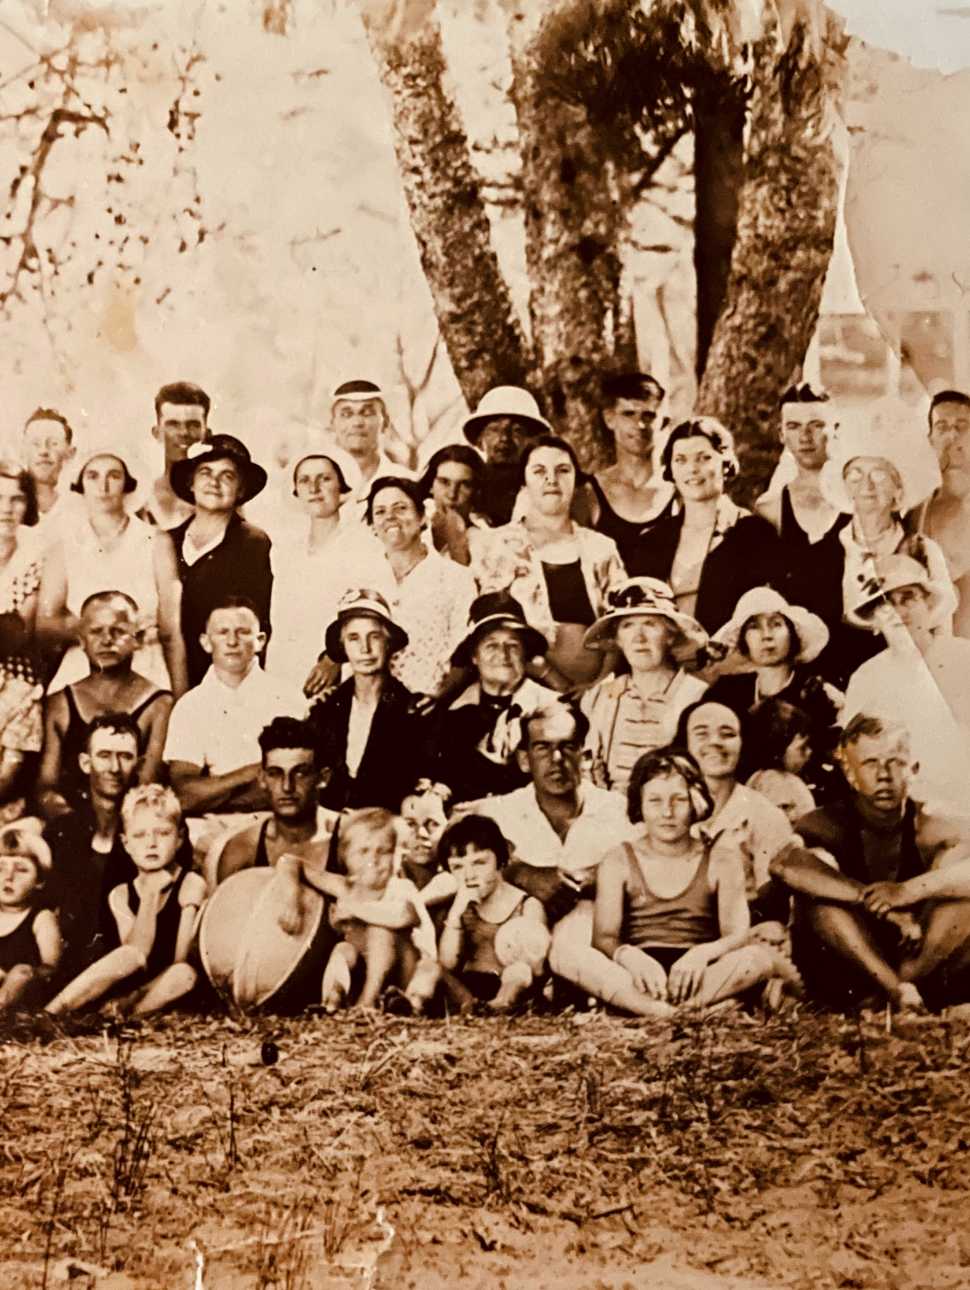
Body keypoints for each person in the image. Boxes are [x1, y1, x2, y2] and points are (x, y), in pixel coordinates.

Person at [770, 714, 970, 1012]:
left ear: (913, 770)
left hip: (914, 963)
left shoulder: (931, 827)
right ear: (850, 773)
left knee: (962, 896)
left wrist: (907, 891)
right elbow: (784, 864)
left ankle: (898, 994)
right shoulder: (827, 822)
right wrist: (872, 901)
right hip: (847, 970)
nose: (884, 775)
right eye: (870, 763)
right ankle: (895, 992)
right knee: (815, 892)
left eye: (895, 762)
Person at [590, 749, 774, 1014]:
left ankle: (654, 1011)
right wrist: (630, 956)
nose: (668, 812)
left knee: (758, 960)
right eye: (655, 800)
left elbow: (736, 934)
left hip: (699, 974)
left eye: (679, 799)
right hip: (639, 974)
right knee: (578, 960)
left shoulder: (721, 859)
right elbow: (603, 938)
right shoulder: (619, 859)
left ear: (696, 803)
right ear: (638, 804)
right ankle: (687, 1011)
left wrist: (701, 955)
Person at [470, 436, 626, 690]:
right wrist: (554, 681)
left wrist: (600, 684)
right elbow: (492, 629)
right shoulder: (497, 546)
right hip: (526, 689)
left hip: (599, 690)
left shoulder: (601, 548)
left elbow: (621, 623)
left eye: (563, 470)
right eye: (539, 471)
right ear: (524, 482)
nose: (551, 479)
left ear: (576, 481)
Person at [47, 785, 205, 1018]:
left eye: (162, 833)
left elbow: (179, 959)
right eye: (139, 835)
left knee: (183, 973)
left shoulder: (191, 883)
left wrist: (137, 996)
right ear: (126, 843)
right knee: (127, 955)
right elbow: (137, 953)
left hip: (172, 987)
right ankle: (50, 1013)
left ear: (179, 838)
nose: (151, 843)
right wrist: (151, 895)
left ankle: (128, 1017)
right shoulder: (120, 893)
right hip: (133, 984)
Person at [39, 446, 187, 695]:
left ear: (128, 484)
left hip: (145, 668)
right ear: (80, 485)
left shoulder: (155, 541)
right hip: (82, 668)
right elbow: (44, 624)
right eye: (93, 476)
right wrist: (95, 628)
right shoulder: (64, 546)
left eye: (114, 476)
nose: (103, 486)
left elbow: (171, 634)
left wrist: (182, 701)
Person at [820, 404, 955, 675]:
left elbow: (942, 635)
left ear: (898, 491)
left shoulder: (923, 551)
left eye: (879, 476)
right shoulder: (824, 554)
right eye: (855, 476)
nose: (866, 487)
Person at [841, 554, 970, 806]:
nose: (898, 612)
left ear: (927, 605)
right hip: (904, 807)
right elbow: (859, 758)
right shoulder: (866, 678)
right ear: (875, 620)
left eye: (908, 598)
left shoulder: (963, 658)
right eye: (886, 603)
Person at [634, 418, 781, 634]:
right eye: (681, 460)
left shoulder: (753, 533)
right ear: (671, 470)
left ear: (725, 463)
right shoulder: (652, 540)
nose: (692, 469)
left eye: (704, 458)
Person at [163, 597, 306, 819]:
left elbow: (296, 786)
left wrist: (214, 793)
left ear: (260, 641)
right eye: (222, 632)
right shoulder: (190, 706)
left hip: (280, 822)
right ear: (206, 642)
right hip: (211, 829)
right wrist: (250, 773)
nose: (232, 642)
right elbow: (185, 796)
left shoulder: (289, 699)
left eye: (242, 632)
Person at [38, 592, 173, 819]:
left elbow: (147, 785)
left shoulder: (159, 704)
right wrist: (67, 817)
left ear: (138, 638)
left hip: (131, 821)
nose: (107, 640)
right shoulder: (60, 702)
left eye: (118, 631)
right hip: (71, 820)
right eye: (96, 631)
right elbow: (46, 785)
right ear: (81, 640)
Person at [343, 477, 476, 699]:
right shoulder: (360, 577)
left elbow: (464, 655)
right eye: (380, 512)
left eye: (401, 508)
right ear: (372, 526)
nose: (390, 518)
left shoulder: (456, 578)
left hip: (430, 702)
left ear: (422, 517)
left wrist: (437, 700)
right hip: (370, 704)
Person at [162, 434, 273, 689]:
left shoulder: (252, 543)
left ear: (241, 490)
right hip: (170, 672)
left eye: (227, 476)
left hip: (228, 674)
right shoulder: (169, 541)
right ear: (191, 483)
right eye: (205, 473)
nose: (214, 482)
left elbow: (259, 619)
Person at [581, 577, 709, 793]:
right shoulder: (601, 696)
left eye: (650, 624)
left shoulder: (696, 696)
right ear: (618, 639)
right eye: (628, 626)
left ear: (670, 634)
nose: (639, 638)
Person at [706, 587, 841, 791]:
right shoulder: (727, 694)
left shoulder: (818, 694)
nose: (766, 636)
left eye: (776, 624)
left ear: (792, 634)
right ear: (743, 639)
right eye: (754, 627)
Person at [44, 715, 146, 982]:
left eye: (125, 756)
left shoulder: (150, 832)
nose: (114, 767)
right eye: (104, 755)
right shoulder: (61, 831)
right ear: (85, 763)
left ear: (139, 764)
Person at [426, 592, 554, 804]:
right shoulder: (449, 716)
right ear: (474, 656)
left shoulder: (552, 709)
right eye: (491, 645)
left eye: (512, 645)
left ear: (525, 653)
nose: (503, 655)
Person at [674, 700, 793, 920]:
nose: (715, 742)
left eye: (727, 734)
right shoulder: (668, 808)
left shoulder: (764, 815)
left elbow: (773, 906)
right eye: (701, 734)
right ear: (685, 745)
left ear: (743, 744)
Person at [312, 807, 439, 1012]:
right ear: (345, 857)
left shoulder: (400, 886)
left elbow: (403, 916)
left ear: (397, 854)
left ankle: (367, 1002)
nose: (374, 860)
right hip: (369, 972)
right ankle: (332, 999)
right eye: (363, 851)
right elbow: (300, 867)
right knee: (343, 950)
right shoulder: (348, 887)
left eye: (385, 851)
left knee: (381, 932)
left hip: (410, 971)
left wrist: (353, 909)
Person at [754, 387, 848, 661]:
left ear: (836, 429)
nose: (805, 437)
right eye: (794, 426)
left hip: (855, 645)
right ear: (782, 434)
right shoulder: (770, 508)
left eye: (816, 425)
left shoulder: (858, 500)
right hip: (794, 654)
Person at [308, 590, 423, 812]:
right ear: (342, 646)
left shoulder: (413, 711)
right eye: (354, 638)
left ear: (388, 642)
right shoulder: (325, 710)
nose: (365, 649)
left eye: (374, 637)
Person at [264, 449, 365, 694]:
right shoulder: (285, 552)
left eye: (325, 479)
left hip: (334, 672)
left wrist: (335, 659)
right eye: (305, 481)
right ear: (296, 492)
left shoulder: (361, 545)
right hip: (283, 669)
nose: (314, 488)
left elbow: (366, 614)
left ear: (342, 489)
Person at [437, 814, 550, 1012]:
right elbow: (447, 963)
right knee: (431, 968)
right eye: (457, 867)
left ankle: (502, 1003)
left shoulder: (526, 904)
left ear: (500, 859)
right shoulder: (460, 907)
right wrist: (456, 914)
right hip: (469, 992)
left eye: (480, 863)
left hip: (513, 984)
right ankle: (411, 1004)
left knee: (520, 968)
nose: (469, 875)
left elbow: (535, 963)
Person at [217, 717, 338, 885]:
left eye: (300, 773)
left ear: (323, 778)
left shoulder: (347, 842)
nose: (287, 787)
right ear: (262, 778)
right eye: (275, 773)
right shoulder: (242, 849)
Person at [587, 372, 674, 570]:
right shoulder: (589, 493)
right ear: (609, 419)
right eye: (628, 414)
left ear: (664, 422)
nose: (640, 425)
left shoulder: (680, 489)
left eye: (649, 415)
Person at [0, 461, 46, 807]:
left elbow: (19, 632)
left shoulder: (34, 558)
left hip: (16, 676)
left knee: (8, 774)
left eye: (16, 499)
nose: (6, 508)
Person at [461, 386, 551, 528]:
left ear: (531, 440)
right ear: (480, 440)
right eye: (494, 429)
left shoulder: (547, 487)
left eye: (517, 430)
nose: (504, 438)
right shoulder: (466, 489)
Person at [919, 389, 970, 638]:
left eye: (963, 426)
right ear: (930, 439)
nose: (952, 436)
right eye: (942, 427)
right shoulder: (915, 507)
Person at [327, 380, 412, 524]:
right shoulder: (318, 487)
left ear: (385, 423)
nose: (357, 422)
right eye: (347, 414)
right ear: (333, 424)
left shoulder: (407, 481)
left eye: (366, 413)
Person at [0, 819, 61, 1011]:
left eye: (21, 870)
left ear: (39, 880)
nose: (8, 877)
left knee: (20, 973)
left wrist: (17, 974)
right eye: (0, 868)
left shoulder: (41, 917)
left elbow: (51, 967)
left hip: (22, 994)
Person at [137, 382, 211, 531]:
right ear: (157, 433)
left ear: (207, 434)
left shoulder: (220, 496)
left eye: (193, 425)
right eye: (173, 424)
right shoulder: (142, 498)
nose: (183, 433)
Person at [417, 444, 487, 565]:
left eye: (464, 485)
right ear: (431, 486)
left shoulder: (486, 540)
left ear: (476, 491)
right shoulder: (413, 528)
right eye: (444, 482)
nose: (452, 494)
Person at [20, 408, 78, 547]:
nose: (44, 451)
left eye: (53, 444)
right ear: (23, 451)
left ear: (70, 453)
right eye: (35, 444)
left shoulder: (77, 507)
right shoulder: (8, 503)